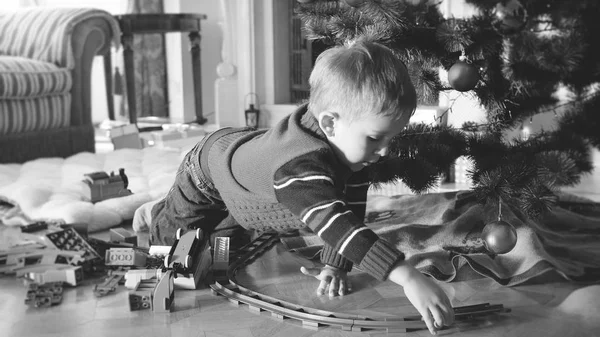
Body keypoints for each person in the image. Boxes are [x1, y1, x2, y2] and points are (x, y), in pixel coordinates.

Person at [133, 39, 454, 335]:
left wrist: (335, 265)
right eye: (375, 138)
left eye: (390, 139)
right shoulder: (299, 168)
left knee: (221, 256)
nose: (385, 150)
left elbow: (349, 211)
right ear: (330, 123)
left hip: (248, 187)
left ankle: (194, 216)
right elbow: (338, 225)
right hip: (206, 175)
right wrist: (407, 276)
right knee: (170, 249)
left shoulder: (354, 153)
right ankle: (158, 210)